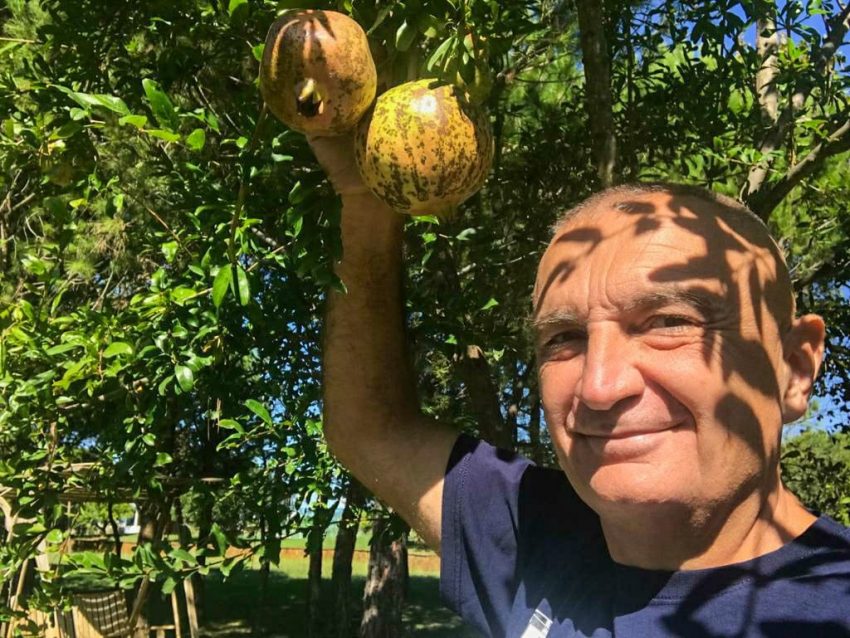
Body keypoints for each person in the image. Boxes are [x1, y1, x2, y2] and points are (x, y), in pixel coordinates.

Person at [310, 133, 850, 637]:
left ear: (794, 367)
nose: (599, 386)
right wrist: (365, 201)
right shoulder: (533, 537)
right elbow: (369, 428)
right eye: (565, 338)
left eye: (669, 322)